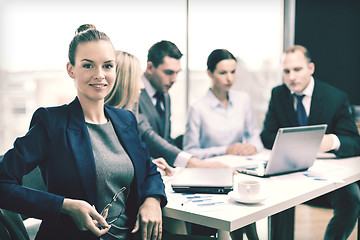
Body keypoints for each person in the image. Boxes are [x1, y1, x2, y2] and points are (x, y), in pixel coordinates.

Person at [0, 24, 166, 240]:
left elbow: (150, 170)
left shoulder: (125, 119)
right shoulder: (51, 122)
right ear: (71, 69)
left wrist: (153, 199)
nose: (100, 75)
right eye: (88, 66)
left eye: (107, 66)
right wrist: (65, 206)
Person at [261, 45, 360, 240]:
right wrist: (292, 143)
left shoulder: (336, 97)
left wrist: (331, 141)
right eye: (286, 71)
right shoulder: (278, 94)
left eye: (297, 70)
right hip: (288, 172)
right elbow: (266, 136)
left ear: (311, 68)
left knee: (352, 198)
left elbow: (355, 142)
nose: (291, 77)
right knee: (278, 199)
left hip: (325, 175)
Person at [138, 40, 227, 169]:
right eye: (168, 72)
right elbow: (148, 136)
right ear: (150, 68)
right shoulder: (134, 93)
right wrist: (194, 163)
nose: (174, 79)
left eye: (177, 72)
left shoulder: (165, 95)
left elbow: (166, 139)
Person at [105, 50, 175, 177]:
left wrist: (149, 163)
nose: (142, 86)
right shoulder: (105, 125)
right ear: (124, 83)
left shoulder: (127, 120)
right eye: (137, 79)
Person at [183, 49, 263, 159]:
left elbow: (254, 135)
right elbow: (189, 152)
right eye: (223, 73)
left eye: (233, 72)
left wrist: (253, 146)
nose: (229, 78)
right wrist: (225, 150)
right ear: (209, 73)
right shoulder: (197, 108)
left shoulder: (243, 100)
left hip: (241, 164)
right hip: (210, 168)